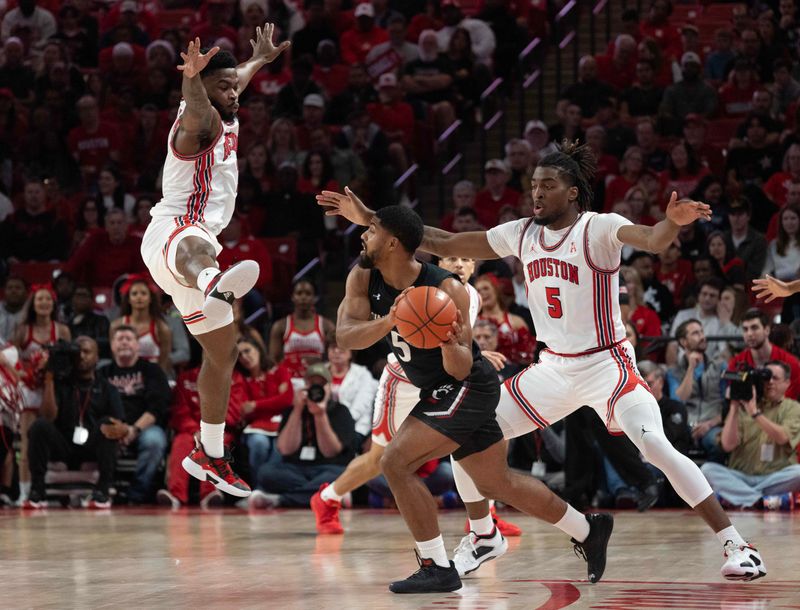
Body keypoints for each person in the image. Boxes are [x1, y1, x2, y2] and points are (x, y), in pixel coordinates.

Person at [319, 142, 767, 582]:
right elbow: (438, 240)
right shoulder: (521, 232)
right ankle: (483, 534)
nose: (536, 193)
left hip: (607, 364)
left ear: (572, 192)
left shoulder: (599, 228)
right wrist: (371, 220)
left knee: (654, 446)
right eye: (534, 185)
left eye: (547, 185)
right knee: (463, 431)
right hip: (553, 368)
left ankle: (737, 545)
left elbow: (650, 238)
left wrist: (671, 223)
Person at [314, 201, 614, 593]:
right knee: (496, 483)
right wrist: (392, 319)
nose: (363, 235)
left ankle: (437, 565)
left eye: (372, 231)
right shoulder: (363, 277)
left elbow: (459, 368)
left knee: (395, 462)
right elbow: (346, 335)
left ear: (393, 243)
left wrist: (449, 344)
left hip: (466, 386)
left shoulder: (445, 289)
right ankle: (587, 529)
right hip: (437, 389)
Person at [139, 27, 290, 499]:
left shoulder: (224, 99)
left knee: (223, 354)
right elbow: (201, 105)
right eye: (221, 87)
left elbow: (233, 81)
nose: (233, 93)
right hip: (174, 234)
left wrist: (257, 62)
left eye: (231, 86)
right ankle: (212, 281)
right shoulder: (199, 119)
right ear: (201, 91)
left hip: (194, 245)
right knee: (198, 245)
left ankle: (209, 452)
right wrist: (191, 81)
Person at [309, 254, 519, 551]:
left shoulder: (470, 295)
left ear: (474, 266)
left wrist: (476, 356)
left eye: (465, 259)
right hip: (403, 382)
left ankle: (485, 521)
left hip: (445, 382)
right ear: (436, 265)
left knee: (476, 443)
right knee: (378, 460)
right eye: (450, 258)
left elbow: (455, 341)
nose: (458, 264)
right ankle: (327, 499)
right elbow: (421, 338)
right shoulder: (419, 293)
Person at [23, 337, 122, 509]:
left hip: (91, 446)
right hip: (63, 445)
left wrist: (123, 429)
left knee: (109, 425)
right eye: (78, 352)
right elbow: (47, 416)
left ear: (97, 357)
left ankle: (103, 491)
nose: (82, 356)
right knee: (39, 426)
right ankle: (37, 491)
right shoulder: (61, 383)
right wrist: (49, 378)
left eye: (87, 352)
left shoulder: (107, 388)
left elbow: (119, 422)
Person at [249, 363, 356, 508]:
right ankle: (328, 496)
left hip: (329, 467)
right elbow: (285, 449)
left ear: (330, 387)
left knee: (342, 476)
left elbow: (330, 451)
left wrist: (320, 415)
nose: (316, 389)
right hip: (295, 469)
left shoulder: (341, 411)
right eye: (312, 384)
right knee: (266, 473)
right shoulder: (293, 410)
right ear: (305, 386)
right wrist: (298, 410)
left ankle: (280, 500)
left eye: (321, 384)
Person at [701, 361, 800, 509]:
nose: (770, 382)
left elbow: (782, 437)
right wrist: (734, 406)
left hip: (774, 477)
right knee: (707, 470)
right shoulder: (742, 407)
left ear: (787, 383)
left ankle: (739, 497)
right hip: (741, 476)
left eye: (775, 378)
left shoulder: (793, 408)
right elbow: (728, 445)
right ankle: (762, 501)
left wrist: (755, 413)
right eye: (766, 378)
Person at [99, 326, 171, 504]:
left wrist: (133, 429)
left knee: (155, 441)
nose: (124, 342)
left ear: (138, 346)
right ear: (112, 346)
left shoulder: (152, 370)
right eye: (119, 339)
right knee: (98, 434)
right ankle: (105, 489)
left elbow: (158, 407)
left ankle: (137, 494)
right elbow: (97, 406)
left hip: (145, 427)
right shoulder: (102, 373)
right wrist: (119, 428)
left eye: (129, 338)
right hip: (113, 425)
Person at [666, 320, 726, 461]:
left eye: (702, 332)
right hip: (684, 427)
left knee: (718, 443)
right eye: (695, 333)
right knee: (670, 446)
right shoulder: (673, 372)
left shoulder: (720, 366)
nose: (702, 337)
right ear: (683, 342)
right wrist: (691, 368)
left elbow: (727, 405)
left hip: (712, 424)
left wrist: (709, 424)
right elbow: (680, 400)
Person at [269, 278, 335, 383]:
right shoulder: (280, 326)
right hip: (290, 380)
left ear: (315, 298)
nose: (303, 297)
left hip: (318, 378)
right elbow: (274, 359)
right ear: (293, 297)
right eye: (299, 293)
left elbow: (334, 356)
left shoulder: (327, 325)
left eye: (308, 294)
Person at [728, 309, 800, 402]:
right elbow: (735, 398)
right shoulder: (735, 363)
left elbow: (788, 403)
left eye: (754, 328)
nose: (749, 334)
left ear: (767, 330)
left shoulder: (791, 363)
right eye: (745, 329)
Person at [111, 274, 173, 375]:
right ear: (128, 299)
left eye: (143, 293)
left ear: (150, 298)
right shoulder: (116, 326)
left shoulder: (161, 328)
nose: (139, 297)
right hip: (124, 376)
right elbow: (115, 357)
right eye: (134, 294)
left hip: (153, 376)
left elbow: (164, 362)